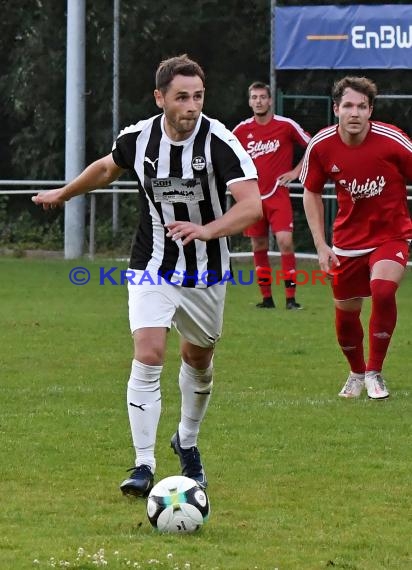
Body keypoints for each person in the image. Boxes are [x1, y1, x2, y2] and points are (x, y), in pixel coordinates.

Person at [32, 54, 262, 496]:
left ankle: (187, 443)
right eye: (181, 97)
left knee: (198, 360)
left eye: (198, 96)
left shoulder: (221, 143)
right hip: (151, 264)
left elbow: (252, 207)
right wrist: (65, 193)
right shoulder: (138, 139)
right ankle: (143, 464)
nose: (192, 106)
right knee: (150, 352)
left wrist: (206, 230)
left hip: (207, 272)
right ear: (160, 98)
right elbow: (105, 168)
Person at [301, 76, 412, 400]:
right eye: (348, 105)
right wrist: (321, 246)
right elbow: (310, 193)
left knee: (382, 289)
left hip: (391, 235)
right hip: (347, 242)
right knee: (346, 314)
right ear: (336, 109)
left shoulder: (392, 141)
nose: (354, 113)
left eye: (361, 106)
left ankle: (375, 372)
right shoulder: (321, 145)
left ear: (370, 110)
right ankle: (356, 372)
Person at [232, 81, 311, 309]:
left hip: (278, 194)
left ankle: (290, 298)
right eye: (254, 97)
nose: (258, 101)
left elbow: (314, 146)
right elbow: (224, 153)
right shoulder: (241, 130)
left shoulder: (285, 126)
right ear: (249, 102)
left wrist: (296, 171)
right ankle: (267, 298)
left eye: (262, 97)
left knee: (285, 242)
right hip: (253, 197)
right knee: (258, 245)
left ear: (270, 100)